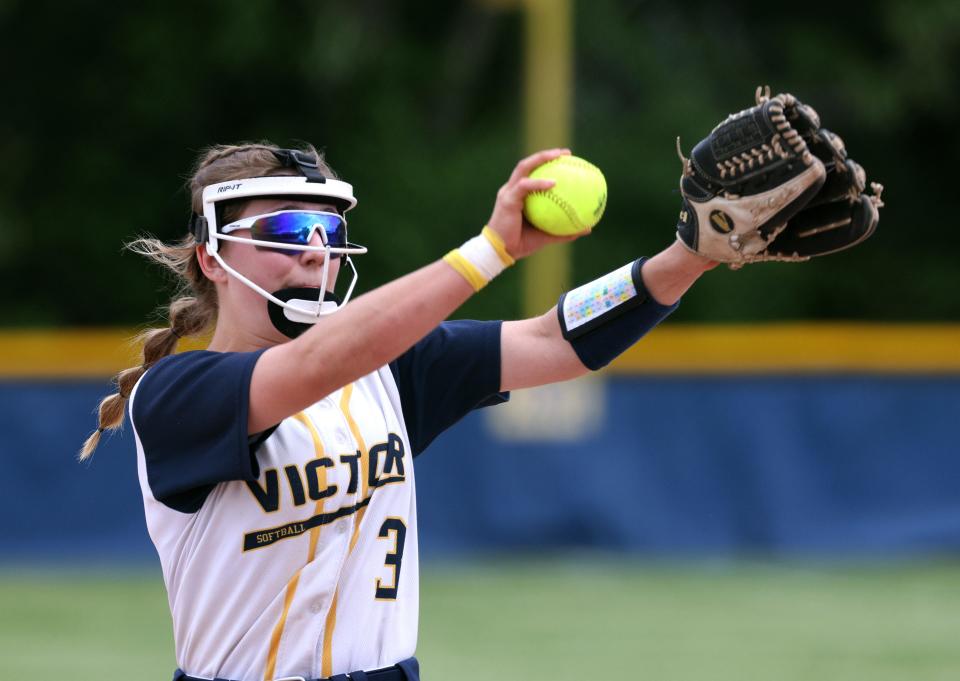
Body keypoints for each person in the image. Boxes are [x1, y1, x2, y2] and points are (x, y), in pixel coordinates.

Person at [80, 142, 715, 681]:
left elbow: (556, 340)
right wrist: (490, 250)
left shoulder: (387, 372)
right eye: (287, 231)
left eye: (328, 233)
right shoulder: (176, 395)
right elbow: (309, 368)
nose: (315, 251)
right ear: (211, 258)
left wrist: (695, 252)